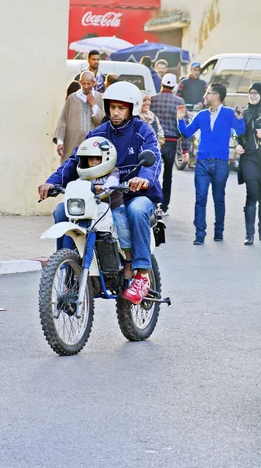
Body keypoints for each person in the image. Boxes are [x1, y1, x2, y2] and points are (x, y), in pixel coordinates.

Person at [39, 81, 163, 305]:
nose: (116, 112)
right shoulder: (98, 133)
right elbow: (77, 159)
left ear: (132, 109)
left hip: (135, 194)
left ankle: (142, 274)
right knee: (61, 210)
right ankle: (69, 269)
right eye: (112, 107)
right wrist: (52, 182)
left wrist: (143, 178)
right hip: (103, 194)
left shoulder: (142, 131)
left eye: (121, 108)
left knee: (136, 210)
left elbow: (153, 157)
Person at [177, 83, 246, 245]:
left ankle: (219, 232)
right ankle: (199, 234)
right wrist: (180, 119)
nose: (204, 96)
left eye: (207, 94)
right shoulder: (201, 115)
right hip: (202, 162)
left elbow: (240, 131)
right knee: (200, 199)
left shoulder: (229, 114)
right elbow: (186, 133)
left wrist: (240, 118)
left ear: (216, 96)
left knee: (219, 198)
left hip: (221, 162)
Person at [76, 136, 133, 279]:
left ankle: (128, 261)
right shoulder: (85, 174)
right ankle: (72, 263)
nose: (93, 161)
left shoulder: (113, 171)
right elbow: (78, 183)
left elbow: (113, 182)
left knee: (122, 226)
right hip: (92, 209)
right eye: (90, 159)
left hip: (113, 205)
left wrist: (104, 187)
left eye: (97, 158)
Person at [150, 73, 186, 216]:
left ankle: (152, 203)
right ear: (174, 86)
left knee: (153, 174)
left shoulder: (152, 100)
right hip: (171, 142)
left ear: (162, 84)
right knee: (168, 175)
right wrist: (185, 149)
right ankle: (164, 206)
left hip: (155, 141)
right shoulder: (179, 101)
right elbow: (183, 126)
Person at [235, 82, 261, 245]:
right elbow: (237, 133)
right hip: (249, 158)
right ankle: (250, 234)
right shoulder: (245, 113)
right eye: (250, 92)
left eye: (256, 93)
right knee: (252, 194)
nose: (253, 95)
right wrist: (238, 144)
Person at [53, 71, 105, 161]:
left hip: (92, 145)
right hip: (72, 144)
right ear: (80, 82)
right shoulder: (72, 98)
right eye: (83, 83)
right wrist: (60, 142)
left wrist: (93, 105)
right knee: (69, 168)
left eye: (88, 83)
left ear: (94, 83)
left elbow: (103, 122)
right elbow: (63, 120)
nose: (85, 86)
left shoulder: (100, 98)